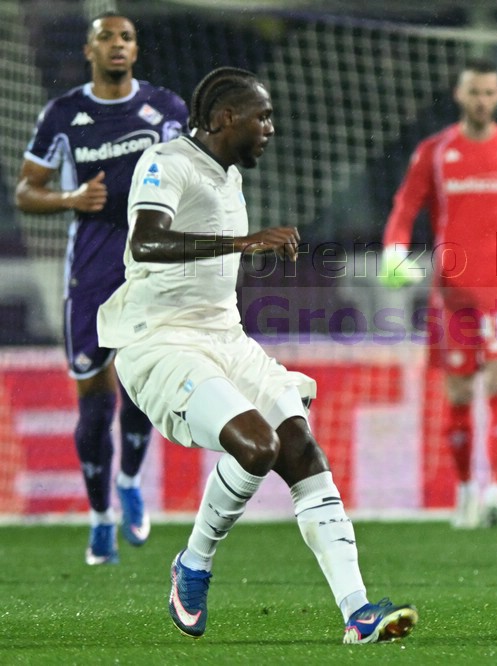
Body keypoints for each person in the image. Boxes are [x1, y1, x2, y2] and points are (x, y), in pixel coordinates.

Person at [96, 67, 417, 644]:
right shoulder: (165, 162)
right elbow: (145, 241)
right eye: (262, 116)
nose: (270, 127)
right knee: (257, 445)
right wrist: (241, 243)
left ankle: (358, 612)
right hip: (160, 342)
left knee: (301, 449)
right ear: (225, 118)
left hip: (226, 339)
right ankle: (193, 564)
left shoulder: (230, 177)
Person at [15, 11, 188, 565]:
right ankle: (99, 518)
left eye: (126, 37)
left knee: (141, 385)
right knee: (94, 397)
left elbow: (194, 176)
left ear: (136, 50)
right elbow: (25, 191)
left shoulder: (166, 109)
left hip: (148, 269)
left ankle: (130, 481)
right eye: (106, 37)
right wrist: (69, 199)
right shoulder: (63, 114)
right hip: (89, 272)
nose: (117, 44)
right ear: (89, 50)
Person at [380, 58, 497, 529]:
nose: (481, 100)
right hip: (452, 291)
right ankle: (463, 491)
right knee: (458, 392)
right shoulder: (434, 152)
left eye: (489, 92)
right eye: (474, 92)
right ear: (459, 94)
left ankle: (496, 489)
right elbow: (405, 206)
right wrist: (393, 250)